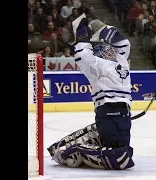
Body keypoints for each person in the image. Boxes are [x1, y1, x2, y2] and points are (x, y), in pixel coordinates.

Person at [47, 13, 135, 169]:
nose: (109, 51)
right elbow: (82, 54)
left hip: (124, 113)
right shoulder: (95, 66)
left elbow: (124, 43)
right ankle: (72, 151)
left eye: (109, 48)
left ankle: (91, 139)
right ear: (98, 51)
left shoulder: (121, 58)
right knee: (118, 155)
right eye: (104, 49)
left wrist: (100, 28)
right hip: (107, 111)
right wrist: (82, 38)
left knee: (124, 152)